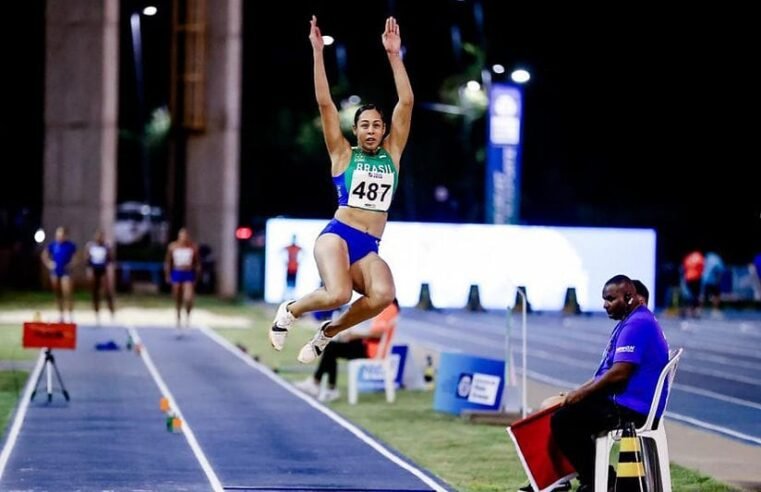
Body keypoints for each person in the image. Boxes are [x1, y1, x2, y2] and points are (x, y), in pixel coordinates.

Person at [269, 15, 413, 364]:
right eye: (364, 125)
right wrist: (318, 52)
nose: (370, 130)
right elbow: (325, 104)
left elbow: (405, 103)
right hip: (338, 235)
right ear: (355, 129)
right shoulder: (342, 154)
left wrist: (395, 56)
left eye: (377, 125)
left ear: (383, 131)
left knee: (383, 295)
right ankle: (291, 309)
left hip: (369, 246)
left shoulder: (392, 155)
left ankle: (328, 334)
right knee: (338, 292)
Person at [546, 274, 669, 492]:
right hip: (624, 403)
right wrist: (578, 392)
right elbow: (608, 373)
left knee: (563, 420)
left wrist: (581, 395)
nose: (605, 305)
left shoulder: (637, 324)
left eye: (610, 299)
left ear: (629, 297)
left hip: (632, 409)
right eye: (604, 299)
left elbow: (620, 373)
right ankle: (590, 480)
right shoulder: (631, 321)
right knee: (561, 411)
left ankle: (600, 481)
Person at [294, 298, 400, 402]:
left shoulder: (388, 308)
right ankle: (320, 384)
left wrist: (355, 335)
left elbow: (378, 334)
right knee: (332, 346)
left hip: (372, 351)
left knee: (331, 348)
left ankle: (323, 385)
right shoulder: (386, 307)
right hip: (369, 346)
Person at [164, 228, 201, 330]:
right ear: (179, 236)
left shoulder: (193, 247)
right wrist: (168, 275)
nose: (183, 238)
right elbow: (168, 262)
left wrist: (197, 276)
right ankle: (178, 315)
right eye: (181, 236)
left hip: (188, 272)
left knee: (188, 298)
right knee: (177, 297)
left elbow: (197, 263)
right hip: (177, 272)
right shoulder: (172, 247)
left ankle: (188, 316)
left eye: (185, 236)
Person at [41, 226, 77, 322]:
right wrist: (49, 264)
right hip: (55, 272)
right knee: (58, 294)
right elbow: (44, 255)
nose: (59, 236)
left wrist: (70, 265)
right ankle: (61, 315)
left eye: (61, 234)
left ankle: (70, 315)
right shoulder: (53, 245)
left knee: (67, 293)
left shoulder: (70, 246)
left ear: (65, 235)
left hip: (66, 273)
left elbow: (75, 258)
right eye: (58, 234)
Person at [85, 229, 115, 324]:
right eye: (98, 236)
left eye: (101, 237)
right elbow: (87, 261)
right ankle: (96, 314)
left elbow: (110, 260)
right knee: (95, 293)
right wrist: (89, 271)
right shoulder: (91, 246)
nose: (99, 238)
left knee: (107, 292)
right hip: (94, 270)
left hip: (103, 270)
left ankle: (111, 313)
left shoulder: (106, 246)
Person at [681, 249, 704, 318]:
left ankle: (689, 309)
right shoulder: (699, 256)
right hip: (696, 278)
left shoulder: (688, 258)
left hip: (688, 277)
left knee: (689, 294)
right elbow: (702, 267)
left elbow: (685, 267)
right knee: (696, 295)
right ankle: (695, 310)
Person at [282, 235, 303, 301]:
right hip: (289, 267)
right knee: (288, 282)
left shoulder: (297, 248)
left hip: (295, 268)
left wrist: (300, 261)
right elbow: (280, 251)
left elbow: (304, 252)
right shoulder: (289, 247)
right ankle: (286, 296)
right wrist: (284, 260)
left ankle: (292, 297)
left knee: (293, 283)